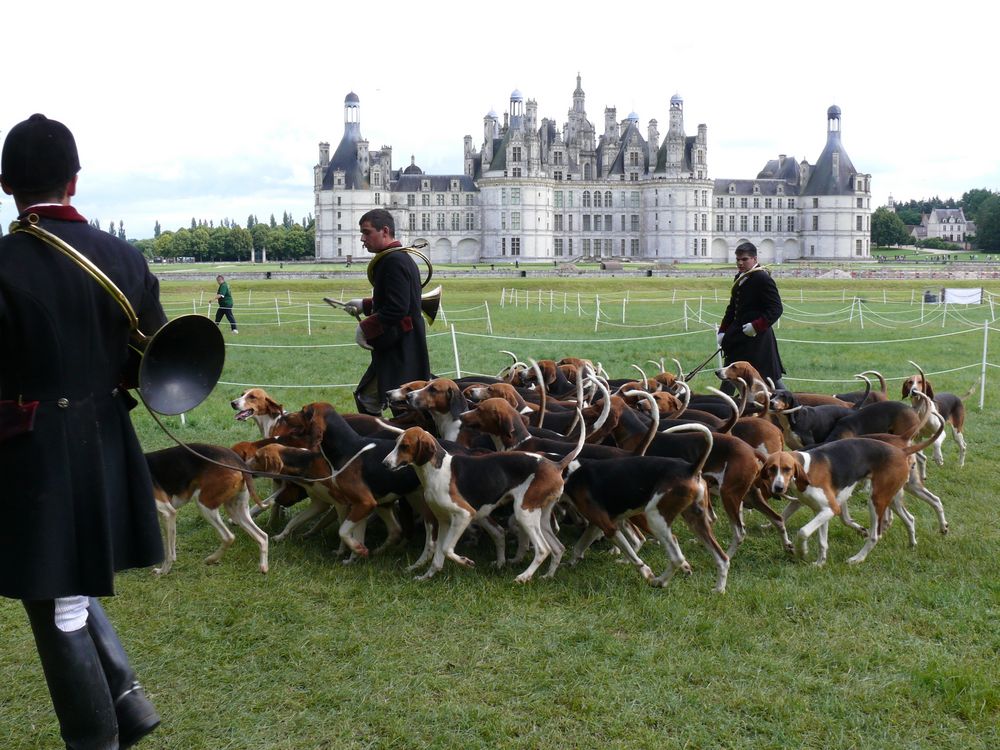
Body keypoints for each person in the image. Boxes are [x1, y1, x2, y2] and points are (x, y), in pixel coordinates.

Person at [0, 114, 165, 748]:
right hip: (101, 443)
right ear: (74, 180)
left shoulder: (4, 261)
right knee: (57, 590)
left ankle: (97, 739)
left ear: (6, 184)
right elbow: (151, 360)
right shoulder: (125, 256)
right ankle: (127, 699)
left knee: (55, 599)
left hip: (30, 454)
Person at [345, 208, 430, 415]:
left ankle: (384, 442)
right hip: (400, 343)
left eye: (367, 232)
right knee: (375, 399)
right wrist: (365, 305)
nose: (362, 239)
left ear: (384, 231)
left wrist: (364, 328)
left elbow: (397, 308)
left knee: (398, 405)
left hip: (399, 345)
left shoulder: (393, 260)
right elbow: (398, 300)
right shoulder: (397, 258)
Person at [717, 241, 786, 389]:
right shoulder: (740, 277)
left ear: (754, 259)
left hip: (758, 339)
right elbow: (733, 308)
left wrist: (756, 326)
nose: (740, 263)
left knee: (770, 379)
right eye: (738, 260)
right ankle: (725, 409)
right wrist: (723, 330)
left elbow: (776, 308)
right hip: (739, 338)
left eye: (744, 259)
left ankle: (793, 406)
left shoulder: (762, 278)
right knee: (729, 376)